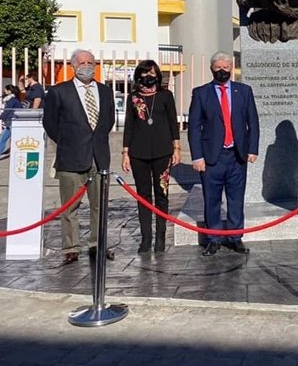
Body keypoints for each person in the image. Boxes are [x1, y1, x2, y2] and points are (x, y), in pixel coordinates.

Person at [43, 49, 115, 265]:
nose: (86, 65)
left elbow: (108, 120)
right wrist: (68, 142)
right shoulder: (59, 92)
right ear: (73, 66)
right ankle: (71, 247)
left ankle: (97, 245)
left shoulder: (105, 91)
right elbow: (50, 123)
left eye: (90, 62)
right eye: (82, 62)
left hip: (99, 156)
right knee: (70, 207)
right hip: (71, 158)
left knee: (99, 206)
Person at [188, 51, 260, 256]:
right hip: (212, 157)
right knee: (212, 199)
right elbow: (194, 127)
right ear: (212, 69)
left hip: (237, 155)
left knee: (236, 198)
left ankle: (236, 237)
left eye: (226, 68)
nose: (222, 71)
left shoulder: (244, 91)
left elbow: (252, 122)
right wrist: (197, 157)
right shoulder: (201, 93)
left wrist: (252, 149)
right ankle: (213, 238)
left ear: (232, 68)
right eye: (218, 68)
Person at [122, 60, 181, 254]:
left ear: (158, 75)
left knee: (161, 194)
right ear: (138, 75)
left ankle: (161, 238)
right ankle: (146, 238)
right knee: (143, 196)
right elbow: (129, 127)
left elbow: (173, 123)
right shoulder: (133, 98)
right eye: (145, 74)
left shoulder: (165, 96)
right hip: (138, 153)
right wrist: (125, 153)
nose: (149, 77)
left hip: (163, 152)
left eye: (152, 74)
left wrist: (177, 148)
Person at [0, 85, 22, 156]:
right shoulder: (13, 99)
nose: (4, 91)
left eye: (5, 90)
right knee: (4, 138)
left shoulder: (12, 100)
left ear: (9, 91)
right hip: (11, 122)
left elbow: (7, 111)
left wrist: (1, 117)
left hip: (12, 122)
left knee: (4, 138)